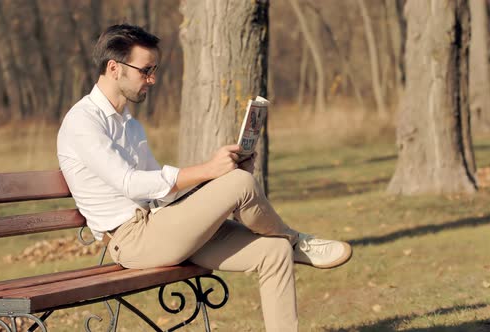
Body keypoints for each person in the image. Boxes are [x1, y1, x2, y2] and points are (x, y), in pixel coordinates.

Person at [57, 24, 352, 332]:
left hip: (162, 224)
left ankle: (286, 245)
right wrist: (212, 172)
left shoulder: (130, 126)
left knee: (272, 251)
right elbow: (129, 183)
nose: (152, 79)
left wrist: (218, 179)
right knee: (242, 186)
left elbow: (162, 194)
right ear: (114, 68)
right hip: (132, 240)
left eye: (154, 69)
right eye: (146, 70)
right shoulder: (83, 122)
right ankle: (296, 242)